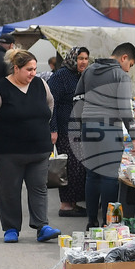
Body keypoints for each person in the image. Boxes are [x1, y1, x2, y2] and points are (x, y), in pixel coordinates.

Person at [0, 49, 61, 244]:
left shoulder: (41, 85)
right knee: (9, 191)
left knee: (39, 188)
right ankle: (11, 228)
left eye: (34, 69)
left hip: (39, 150)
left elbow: (50, 105)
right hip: (7, 152)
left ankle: (42, 226)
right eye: (29, 69)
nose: (33, 73)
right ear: (16, 68)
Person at [73, 43, 135, 228]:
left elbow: (77, 97)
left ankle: (91, 221)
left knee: (92, 174)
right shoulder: (120, 75)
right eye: (131, 64)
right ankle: (108, 223)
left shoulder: (89, 70)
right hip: (109, 128)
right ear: (124, 58)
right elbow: (124, 109)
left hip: (88, 125)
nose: (129, 69)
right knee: (109, 176)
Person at [48, 47, 90, 217]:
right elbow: (51, 104)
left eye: (86, 58)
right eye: (80, 58)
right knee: (68, 168)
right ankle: (65, 205)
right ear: (73, 58)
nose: (84, 62)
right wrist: (53, 129)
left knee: (77, 168)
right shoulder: (60, 76)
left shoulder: (81, 76)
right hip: (64, 130)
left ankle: (72, 203)